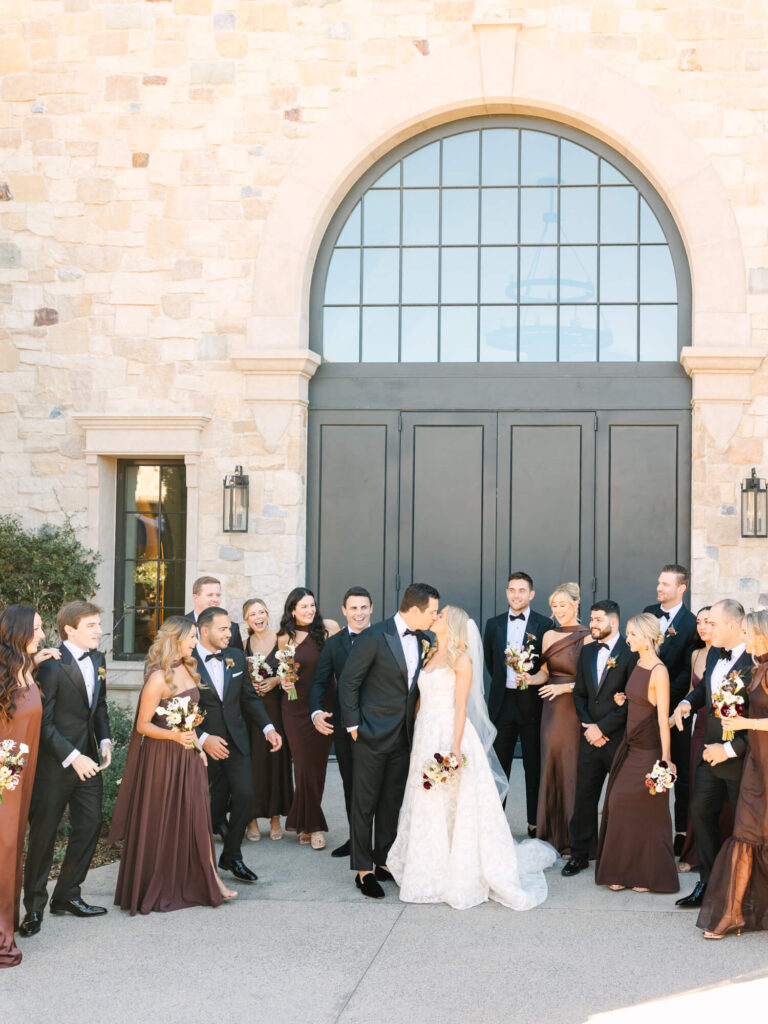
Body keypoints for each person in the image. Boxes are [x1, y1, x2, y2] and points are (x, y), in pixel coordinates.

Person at [388, 606, 556, 909]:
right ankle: (428, 864)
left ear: (450, 624)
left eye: (440, 616)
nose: (435, 617)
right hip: (426, 733)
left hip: (450, 734)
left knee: (453, 798)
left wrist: (454, 749)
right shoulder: (430, 654)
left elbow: (462, 706)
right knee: (427, 799)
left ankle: (458, 865)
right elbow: (420, 700)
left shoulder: (460, 659)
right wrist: (413, 733)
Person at [109, 617, 234, 913]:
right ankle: (172, 881)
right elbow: (142, 725)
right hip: (162, 757)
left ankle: (209, 878)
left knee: (198, 815)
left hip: (187, 754)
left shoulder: (187, 667)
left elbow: (187, 718)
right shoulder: (158, 677)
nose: (194, 642)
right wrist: (176, 737)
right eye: (191, 637)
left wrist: (196, 746)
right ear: (174, 639)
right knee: (165, 818)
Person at [338, 583, 439, 898]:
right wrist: (354, 726)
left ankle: (383, 860)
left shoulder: (426, 639)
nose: (435, 618)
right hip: (370, 734)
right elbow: (349, 682)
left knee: (391, 802)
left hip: (405, 737)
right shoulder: (374, 636)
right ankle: (363, 870)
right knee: (364, 802)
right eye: (433, 612)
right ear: (415, 609)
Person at [20, 601, 112, 938]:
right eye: (91, 625)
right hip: (55, 765)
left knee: (90, 825)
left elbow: (99, 707)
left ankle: (67, 896)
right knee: (43, 837)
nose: (98, 630)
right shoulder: (50, 665)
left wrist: (104, 742)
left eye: (98, 624)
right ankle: (32, 909)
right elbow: (43, 723)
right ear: (69, 629)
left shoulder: (99, 660)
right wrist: (74, 756)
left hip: (90, 760)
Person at [193, 606, 283, 882]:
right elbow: (176, 706)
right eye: (222, 629)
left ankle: (232, 855)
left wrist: (268, 728)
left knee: (245, 796)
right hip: (201, 747)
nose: (229, 633)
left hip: (236, 742)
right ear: (204, 630)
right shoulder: (186, 660)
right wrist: (204, 738)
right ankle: (196, 864)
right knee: (203, 805)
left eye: (230, 628)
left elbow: (248, 698)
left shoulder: (235, 657)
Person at [673, 599, 752, 909]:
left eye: (714, 623)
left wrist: (730, 749)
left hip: (742, 758)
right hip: (709, 752)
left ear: (733, 626)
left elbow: (759, 719)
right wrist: (687, 704)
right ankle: (706, 882)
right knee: (701, 812)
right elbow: (704, 689)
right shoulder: (714, 656)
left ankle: (742, 890)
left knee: (743, 826)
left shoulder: (755, 662)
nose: (706, 628)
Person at [594, 613, 678, 893]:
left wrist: (666, 760)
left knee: (648, 811)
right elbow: (641, 699)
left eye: (631, 635)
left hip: (650, 751)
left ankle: (645, 875)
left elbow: (662, 718)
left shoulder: (659, 671)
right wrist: (625, 698)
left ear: (646, 637)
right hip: (630, 748)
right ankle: (620, 871)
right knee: (618, 804)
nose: (627, 639)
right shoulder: (639, 662)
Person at [697, 609, 768, 939]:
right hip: (756, 763)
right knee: (746, 833)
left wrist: (746, 724)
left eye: (750, 633)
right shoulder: (758, 667)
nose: (746, 638)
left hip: (763, 760)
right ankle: (733, 912)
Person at [561, 600, 637, 878]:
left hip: (617, 740)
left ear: (613, 622)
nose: (592, 624)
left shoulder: (631, 653)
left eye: (597, 620)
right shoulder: (587, 651)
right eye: (591, 619)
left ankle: (617, 856)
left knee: (619, 801)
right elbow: (579, 693)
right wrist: (590, 727)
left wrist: (603, 729)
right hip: (589, 738)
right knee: (583, 798)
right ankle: (579, 855)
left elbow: (631, 702)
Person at [0, 606, 58, 968]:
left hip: (22, 779)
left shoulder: (23, 671)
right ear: (17, 632)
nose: (42, 635)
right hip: (4, 779)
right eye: (36, 630)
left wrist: (35, 662)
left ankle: (6, 920)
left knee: (11, 851)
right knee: (3, 851)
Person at [483, 571, 552, 838]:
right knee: (499, 767)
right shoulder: (493, 624)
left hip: (532, 705)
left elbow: (547, 662)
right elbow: (491, 663)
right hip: (502, 704)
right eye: (512, 590)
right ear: (506, 592)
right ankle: (496, 827)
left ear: (531, 594)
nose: (516, 595)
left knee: (533, 767)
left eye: (522, 590)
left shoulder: (544, 624)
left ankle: (534, 825)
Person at [310, 586, 373, 858]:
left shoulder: (384, 636)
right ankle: (356, 840)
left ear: (371, 608)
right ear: (344, 611)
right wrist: (315, 712)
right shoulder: (334, 644)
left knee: (378, 786)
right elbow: (320, 682)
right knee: (351, 784)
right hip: (345, 727)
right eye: (353, 608)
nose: (358, 613)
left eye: (363, 607)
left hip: (380, 726)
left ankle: (381, 843)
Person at [277, 588, 339, 850]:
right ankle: (313, 826)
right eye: (303, 606)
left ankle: (305, 820)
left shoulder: (328, 629)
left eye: (312, 605)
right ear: (292, 610)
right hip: (294, 706)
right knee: (302, 765)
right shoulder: (284, 637)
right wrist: (283, 679)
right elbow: (283, 674)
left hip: (323, 705)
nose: (309, 610)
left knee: (317, 766)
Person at [643, 564, 698, 856]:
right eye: (659, 583)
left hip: (674, 711)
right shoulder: (648, 611)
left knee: (677, 769)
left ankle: (680, 833)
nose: (659, 588)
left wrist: (663, 699)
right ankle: (653, 828)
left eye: (665, 584)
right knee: (648, 767)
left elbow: (686, 673)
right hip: (645, 709)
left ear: (681, 588)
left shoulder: (692, 625)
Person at [536, 583, 592, 855]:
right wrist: (525, 677)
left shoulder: (589, 636)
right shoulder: (548, 635)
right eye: (554, 606)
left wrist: (563, 688)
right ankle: (550, 836)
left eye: (563, 605)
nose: (558, 611)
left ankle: (573, 838)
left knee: (572, 768)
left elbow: (591, 681)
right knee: (551, 765)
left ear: (575, 605)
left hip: (573, 707)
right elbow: (544, 674)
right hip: (551, 710)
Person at [678, 607, 726, 872]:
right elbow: (692, 692)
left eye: (709, 622)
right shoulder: (696, 654)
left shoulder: (730, 654)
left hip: (725, 728)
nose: (703, 626)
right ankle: (694, 853)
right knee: (698, 790)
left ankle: (722, 851)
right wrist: (682, 711)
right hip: (699, 728)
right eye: (699, 622)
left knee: (723, 794)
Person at [242, 598, 292, 843]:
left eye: (262, 612)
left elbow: (292, 675)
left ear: (267, 614)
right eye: (253, 614)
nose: (258, 617)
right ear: (246, 620)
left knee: (276, 761)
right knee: (253, 763)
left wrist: (274, 681)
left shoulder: (282, 639)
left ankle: (274, 817)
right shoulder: (243, 645)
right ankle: (251, 818)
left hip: (275, 708)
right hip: (251, 712)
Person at [185, 574, 244, 652]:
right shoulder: (181, 625)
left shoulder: (233, 628)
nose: (215, 599)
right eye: (210, 595)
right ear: (196, 597)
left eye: (218, 595)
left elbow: (238, 659)